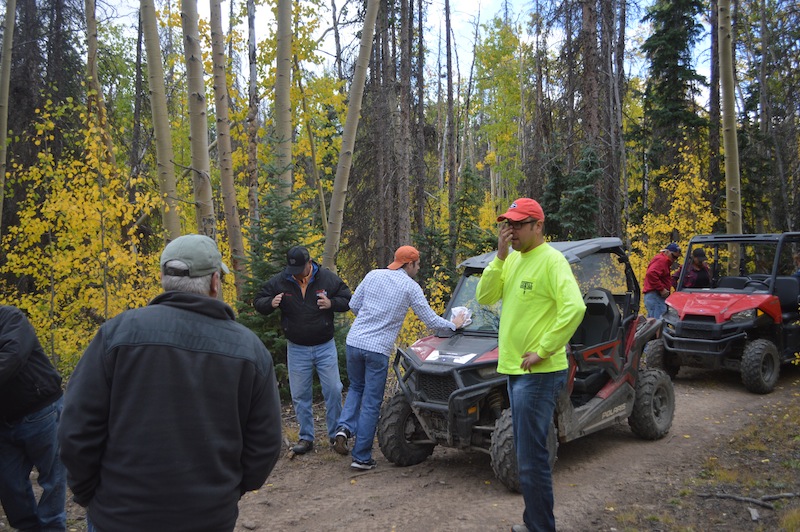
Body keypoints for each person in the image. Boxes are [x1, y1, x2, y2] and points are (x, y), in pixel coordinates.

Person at [58, 234, 282, 532]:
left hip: (119, 515)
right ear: (215, 282)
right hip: (206, 517)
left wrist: (86, 491)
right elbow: (265, 443)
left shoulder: (118, 334)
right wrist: (229, 491)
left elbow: (76, 427)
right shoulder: (249, 350)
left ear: (164, 278)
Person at [475, 198, 586, 532]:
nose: (512, 230)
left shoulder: (551, 261)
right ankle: (535, 523)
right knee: (527, 454)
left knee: (532, 457)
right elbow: (483, 296)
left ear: (539, 225)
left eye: (519, 224)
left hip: (538, 373)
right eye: (508, 224)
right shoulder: (511, 260)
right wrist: (499, 255)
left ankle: (540, 527)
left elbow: (574, 308)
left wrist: (544, 349)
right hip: (514, 370)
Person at [333, 245, 466, 470]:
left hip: (354, 342)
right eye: (418, 264)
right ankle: (361, 457)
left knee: (356, 388)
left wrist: (371, 316)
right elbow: (431, 320)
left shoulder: (373, 275)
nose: (419, 268)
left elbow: (354, 305)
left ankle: (343, 428)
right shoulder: (410, 287)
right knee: (372, 403)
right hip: (377, 349)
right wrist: (454, 325)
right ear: (409, 264)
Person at [253, 246, 351, 455]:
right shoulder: (281, 280)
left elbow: (348, 299)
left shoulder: (326, 278)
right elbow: (258, 301)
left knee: (333, 389)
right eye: (292, 268)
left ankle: (336, 436)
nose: (295, 272)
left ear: (309, 263)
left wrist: (331, 303)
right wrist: (270, 303)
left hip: (325, 346)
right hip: (296, 348)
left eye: (299, 268)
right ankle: (306, 438)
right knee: (300, 395)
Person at [0, 306, 67, 532]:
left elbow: (13, 355)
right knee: (10, 486)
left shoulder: (11, 318)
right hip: (4, 422)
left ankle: (53, 528)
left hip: (42, 411)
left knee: (53, 480)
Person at [643, 242, 681, 319]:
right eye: (673, 256)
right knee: (658, 324)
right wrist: (662, 289)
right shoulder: (662, 260)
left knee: (652, 323)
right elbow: (651, 274)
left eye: (676, 258)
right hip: (655, 296)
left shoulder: (661, 260)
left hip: (654, 296)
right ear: (667, 252)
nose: (674, 260)